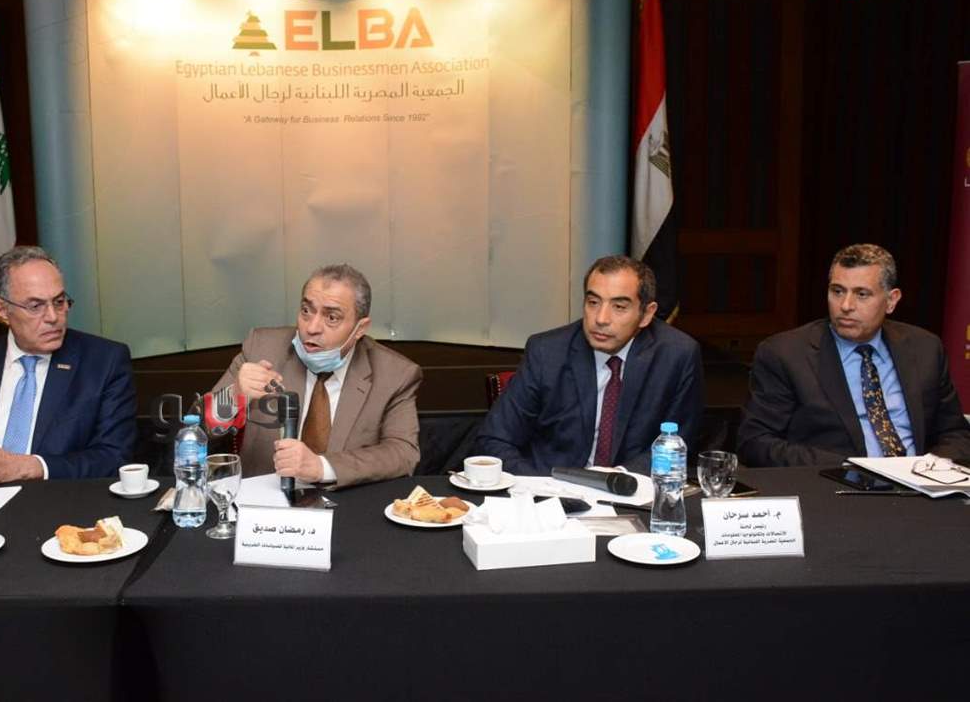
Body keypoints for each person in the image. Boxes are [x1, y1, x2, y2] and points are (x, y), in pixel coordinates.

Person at [0, 246, 136, 484]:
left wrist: (29, 467)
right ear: (2, 309)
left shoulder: (103, 362)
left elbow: (115, 458)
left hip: (54, 500)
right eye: (35, 306)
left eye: (59, 301)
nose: (53, 317)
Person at [738, 243, 970, 467]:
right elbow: (755, 442)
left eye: (862, 294)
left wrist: (931, 468)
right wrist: (849, 469)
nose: (846, 305)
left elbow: (955, 433)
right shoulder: (786, 354)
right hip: (833, 484)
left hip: (918, 483)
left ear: (891, 301)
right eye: (837, 291)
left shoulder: (925, 348)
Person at [475, 255, 704, 474]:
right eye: (593, 302)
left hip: (630, 489)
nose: (601, 319)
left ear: (646, 314)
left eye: (619, 307)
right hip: (551, 488)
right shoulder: (547, 351)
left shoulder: (676, 355)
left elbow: (679, 443)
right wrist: (545, 488)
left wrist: (618, 479)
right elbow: (494, 439)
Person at [213, 264, 421, 487]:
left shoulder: (395, 374)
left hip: (347, 503)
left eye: (332, 317)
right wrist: (233, 396)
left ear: (360, 329)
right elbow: (196, 434)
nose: (311, 328)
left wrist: (322, 467)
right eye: (306, 311)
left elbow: (403, 453)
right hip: (262, 500)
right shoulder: (261, 348)